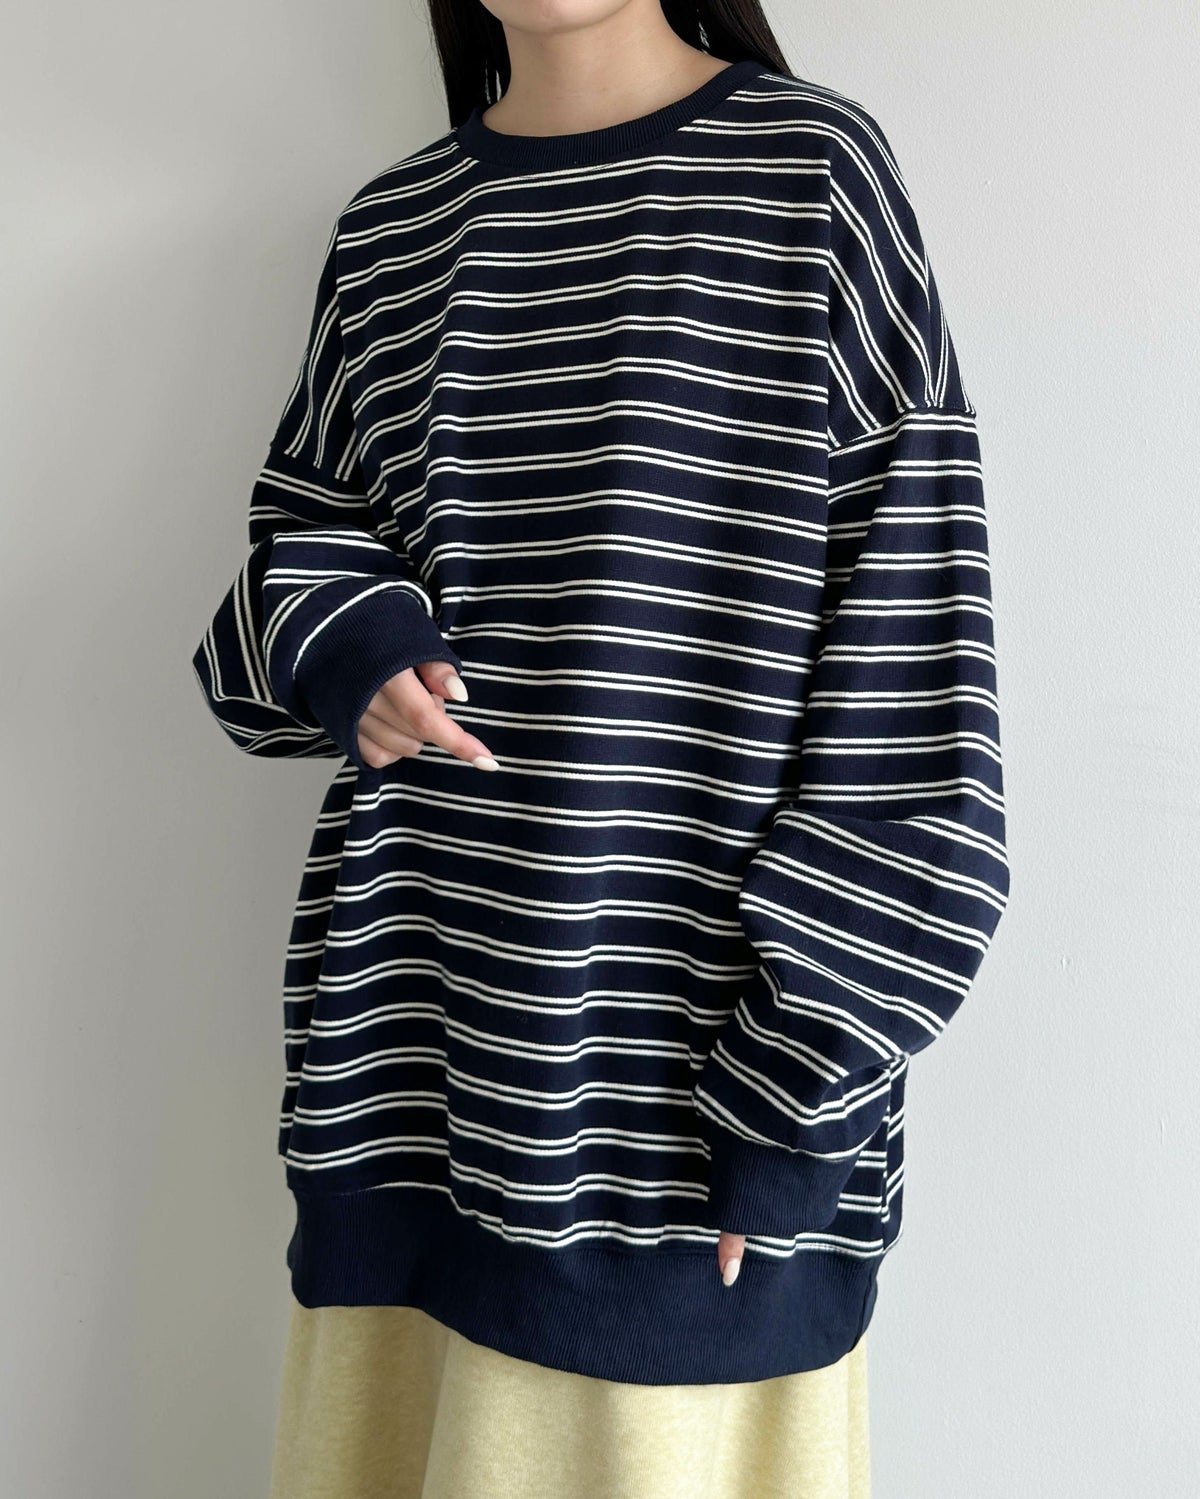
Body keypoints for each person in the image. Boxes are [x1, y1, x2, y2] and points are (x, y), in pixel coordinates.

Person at [190, 1, 1010, 1493]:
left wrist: (799, 1082)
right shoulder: (394, 230)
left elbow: (918, 685)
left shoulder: (810, 174)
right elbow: (270, 606)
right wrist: (346, 644)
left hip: (693, 1139)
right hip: (410, 1089)